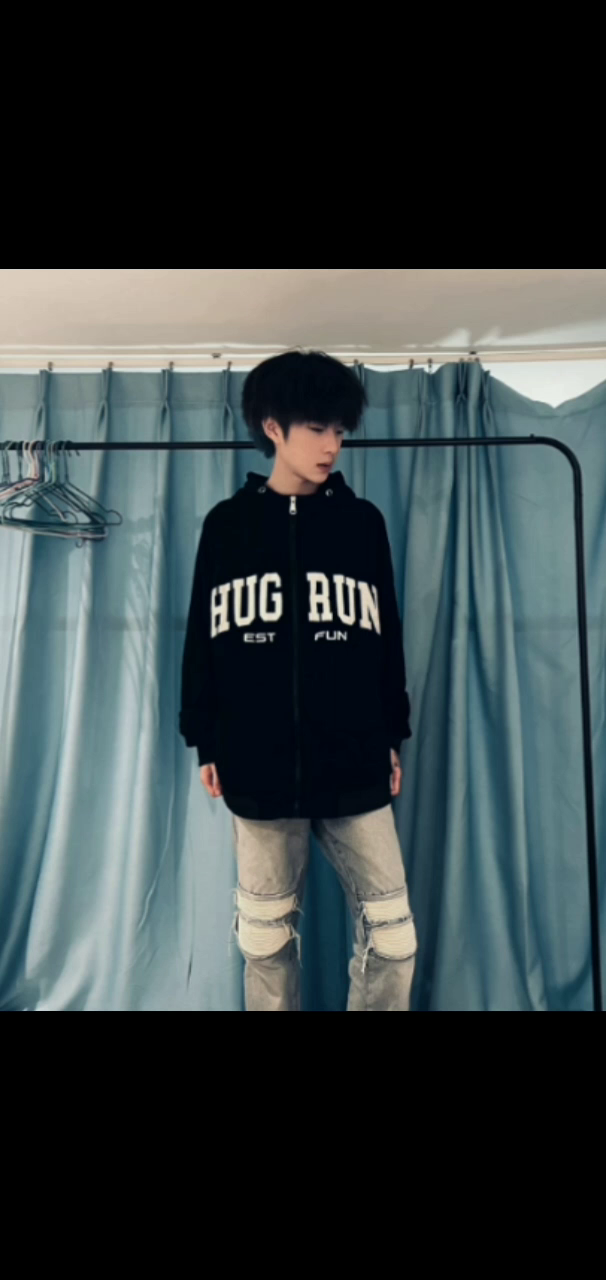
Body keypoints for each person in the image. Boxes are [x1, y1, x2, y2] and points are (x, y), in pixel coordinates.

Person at [179, 350, 417, 1011]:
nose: (332, 445)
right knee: (265, 941)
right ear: (273, 427)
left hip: (354, 759)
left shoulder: (361, 524)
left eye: (340, 430)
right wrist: (207, 740)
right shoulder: (227, 527)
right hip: (255, 763)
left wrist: (391, 735)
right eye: (317, 428)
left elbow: (386, 639)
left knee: (393, 937)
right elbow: (203, 640)